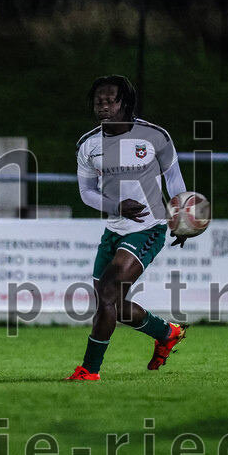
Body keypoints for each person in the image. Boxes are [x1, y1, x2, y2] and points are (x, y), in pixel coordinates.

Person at [67, 75, 194, 381]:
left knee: (109, 292)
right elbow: (86, 192)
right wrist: (115, 206)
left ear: (124, 102)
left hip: (148, 228)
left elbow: (175, 180)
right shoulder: (88, 144)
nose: (103, 106)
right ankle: (166, 333)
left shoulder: (155, 136)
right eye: (99, 101)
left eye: (110, 100)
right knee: (113, 306)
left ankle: (89, 371)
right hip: (113, 229)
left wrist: (182, 220)